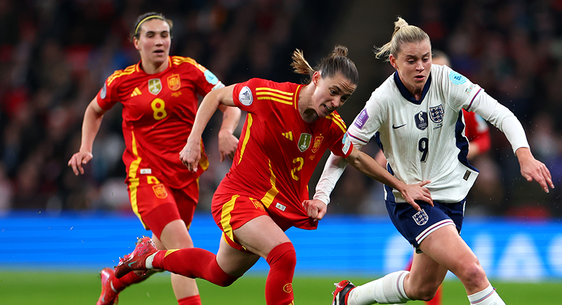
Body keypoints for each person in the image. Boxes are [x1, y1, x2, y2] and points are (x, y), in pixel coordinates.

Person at [111, 45, 432, 305]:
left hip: (274, 209)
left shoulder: (331, 126)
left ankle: (147, 260)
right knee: (283, 254)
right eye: (333, 92)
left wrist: (401, 186)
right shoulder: (267, 95)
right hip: (238, 197)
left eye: (343, 99)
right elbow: (214, 97)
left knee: (219, 273)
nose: (335, 103)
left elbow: (355, 158)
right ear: (316, 78)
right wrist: (197, 139)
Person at [311, 18, 554, 305]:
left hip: (452, 194)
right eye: (411, 60)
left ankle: (349, 298)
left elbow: (499, 113)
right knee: (472, 271)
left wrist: (523, 153)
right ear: (393, 61)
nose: (421, 67)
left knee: (421, 288)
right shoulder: (382, 100)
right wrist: (322, 194)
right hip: (411, 201)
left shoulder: (447, 80)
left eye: (425, 58)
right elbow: (343, 150)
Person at [67, 12, 241, 305]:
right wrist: (86, 146)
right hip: (145, 173)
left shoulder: (189, 70)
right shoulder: (121, 80)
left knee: (166, 254)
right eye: (151, 35)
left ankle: (114, 281)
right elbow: (94, 110)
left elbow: (230, 101)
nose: (159, 41)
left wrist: (225, 130)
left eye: (164, 35)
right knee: (183, 248)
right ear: (136, 43)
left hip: (186, 175)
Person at [379, 49, 492, 305]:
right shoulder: (408, 103)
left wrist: (463, 152)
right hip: (419, 187)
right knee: (435, 259)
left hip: (451, 184)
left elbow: (484, 138)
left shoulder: (462, 102)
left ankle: (351, 297)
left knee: (427, 271)